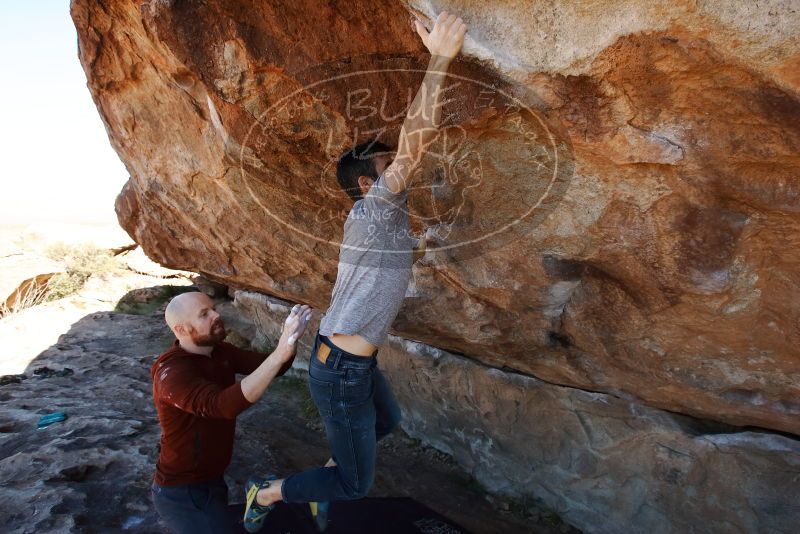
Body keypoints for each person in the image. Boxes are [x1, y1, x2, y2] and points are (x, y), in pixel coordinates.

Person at [243, 12, 468, 533]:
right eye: (388, 167)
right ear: (369, 183)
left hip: (349, 362)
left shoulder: (378, 219)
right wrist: (441, 59)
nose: (399, 171)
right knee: (354, 484)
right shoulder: (374, 209)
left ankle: (321, 482)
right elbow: (418, 137)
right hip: (341, 368)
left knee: (387, 421)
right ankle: (268, 492)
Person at [150, 291, 312, 533]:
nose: (216, 315)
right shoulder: (171, 373)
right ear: (182, 330)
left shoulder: (220, 352)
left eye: (213, 308)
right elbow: (222, 406)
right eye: (204, 314)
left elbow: (275, 366)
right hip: (181, 491)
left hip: (212, 479)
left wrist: (290, 339)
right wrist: (279, 353)